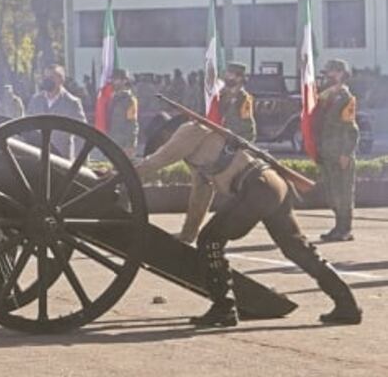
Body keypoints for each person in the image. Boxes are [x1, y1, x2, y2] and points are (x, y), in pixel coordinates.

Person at [135, 118, 362, 327]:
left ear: (166, 133)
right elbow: (201, 194)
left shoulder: (189, 130)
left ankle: (224, 307)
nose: (163, 146)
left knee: (210, 240)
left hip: (256, 187)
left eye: (162, 142)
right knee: (297, 249)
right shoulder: (198, 152)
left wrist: (123, 174)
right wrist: (188, 234)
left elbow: (160, 160)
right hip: (271, 184)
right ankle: (347, 305)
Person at [314, 59, 359, 242]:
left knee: (343, 192)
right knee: (332, 193)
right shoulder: (326, 97)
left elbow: (352, 130)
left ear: (342, 74)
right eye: (328, 72)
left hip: (340, 152)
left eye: (333, 72)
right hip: (327, 152)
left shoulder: (346, 98)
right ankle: (338, 227)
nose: (329, 75)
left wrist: (346, 153)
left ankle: (345, 229)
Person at [26, 64, 86, 157]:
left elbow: (81, 134)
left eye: (51, 77)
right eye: (45, 77)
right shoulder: (35, 100)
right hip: (37, 155)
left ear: (61, 80)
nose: (47, 80)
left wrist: (79, 159)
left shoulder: (72, 103)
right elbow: (27, 127)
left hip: (61, 157)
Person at [218, 62, 256, 142]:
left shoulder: (244, 98)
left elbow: (246, 126)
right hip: (220, 136)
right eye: (227, 74)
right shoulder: (221, 94)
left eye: (230, 74)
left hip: (237, 139)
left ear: (239, 78)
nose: (227, 76)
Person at [108, 68, 138, 157]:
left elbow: (132, 123)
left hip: (124, 142)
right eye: (113, 79)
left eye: (116, 79)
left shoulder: (129, 100)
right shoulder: (114, 97)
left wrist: (130, 144)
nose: (113, 82)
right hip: (113, 139)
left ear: (124, 81)